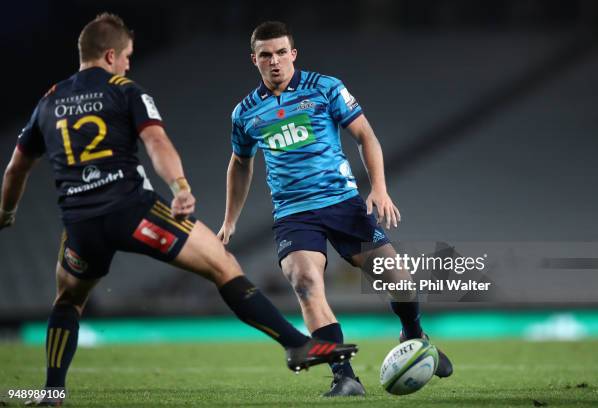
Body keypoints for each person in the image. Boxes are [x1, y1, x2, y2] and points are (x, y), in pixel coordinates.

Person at [0, 13, 357, 406]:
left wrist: (6, 214)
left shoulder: (49, 100)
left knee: (67, 300)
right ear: (110, 55)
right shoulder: (125, 90)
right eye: (127, 56)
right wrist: (180, 187)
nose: (128, 64)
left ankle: (51, 392)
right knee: (223, 265)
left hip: (79, 224)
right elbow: (156, 141)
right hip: (132, 211)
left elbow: (17, 168)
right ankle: (296, 345)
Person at [218, 21, 453, 397]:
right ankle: (344, 376)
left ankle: (414, 335)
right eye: (266, 55)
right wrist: (230, 221)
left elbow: (365, 136)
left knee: (400, 282)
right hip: (294, 215)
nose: (275, 61)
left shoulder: (325, 88)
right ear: (254, 60)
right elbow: (240, 164)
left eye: (281, 52)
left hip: (342, 204)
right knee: (305, 282)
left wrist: (379, 188)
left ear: (293, 54)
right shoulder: (245, 113)